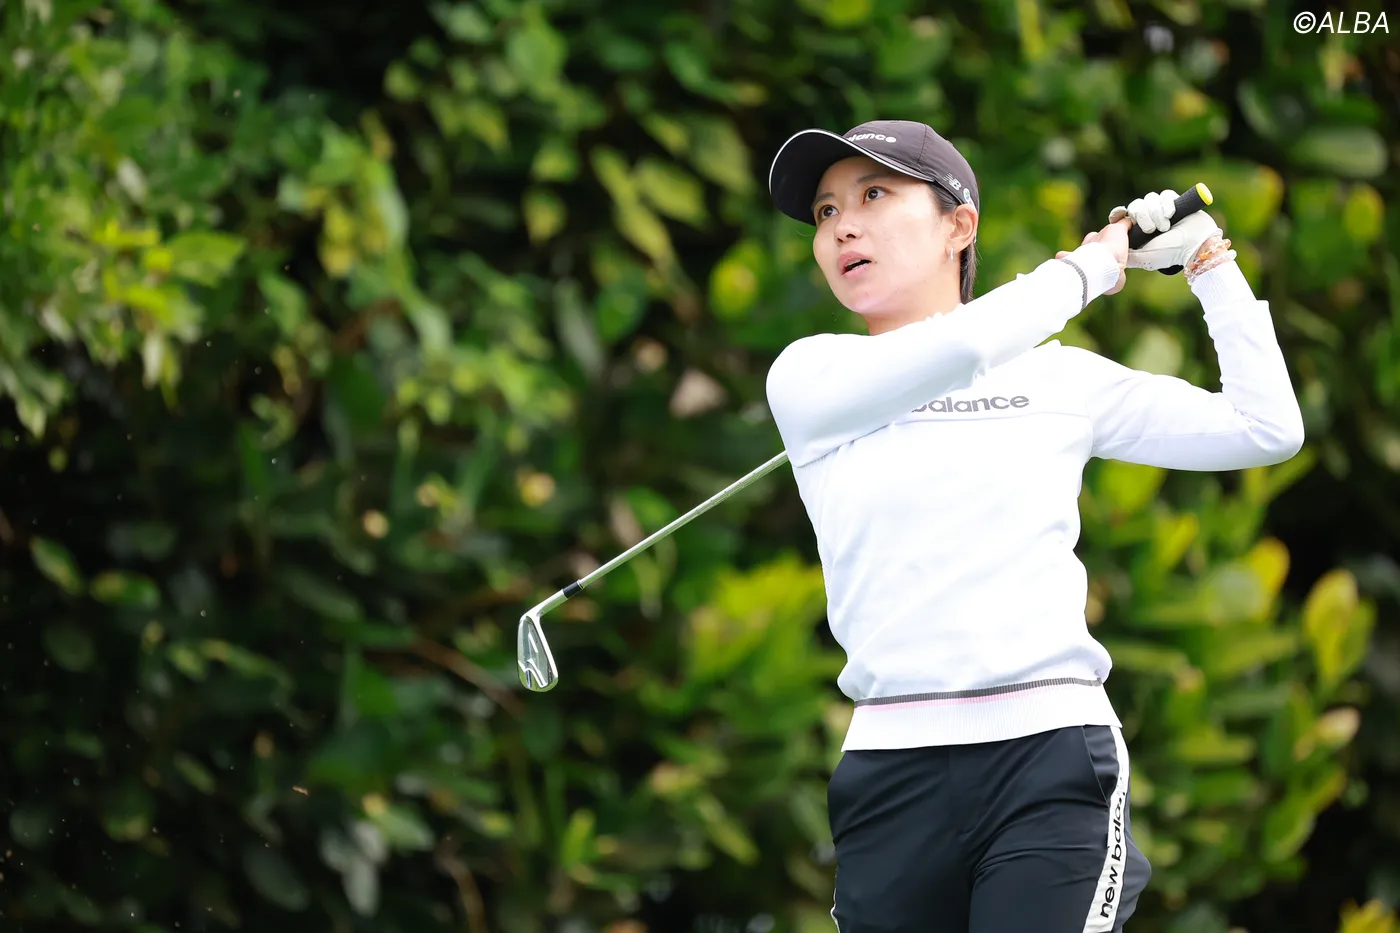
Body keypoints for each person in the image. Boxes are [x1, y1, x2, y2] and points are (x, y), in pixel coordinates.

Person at [764, 119, 1305, 933]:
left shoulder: (1058, 379)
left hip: (1049, 759)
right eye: (826, 211)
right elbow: (966, 345)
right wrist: (1092, 266)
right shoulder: (811, 376)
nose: (843, 225)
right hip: (888, 775)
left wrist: (1208, 263)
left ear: (959, 225)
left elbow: (1266, 429)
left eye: (874, 194)